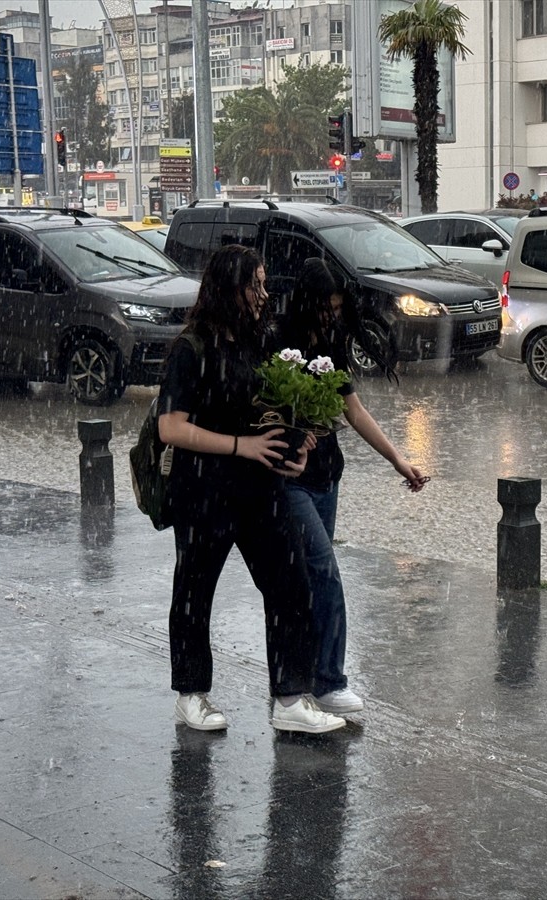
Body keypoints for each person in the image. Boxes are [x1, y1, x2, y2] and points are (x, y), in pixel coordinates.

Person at [157, 244, 346, 735]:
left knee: (290, 585)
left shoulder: (257, 342)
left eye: (264, 283)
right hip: (203, 493)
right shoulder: (191, 348)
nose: (263, 294)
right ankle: (192, 694)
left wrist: (298, 442)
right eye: (255, 285)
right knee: (195, 592)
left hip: (260, 489)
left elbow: (274, 409)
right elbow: (171, 428)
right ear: (229, 288)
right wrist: (241, 445)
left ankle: (290, 697)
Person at [279, 258, 428, 714]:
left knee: (309, 581)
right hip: (290, 479)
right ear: (308, 302)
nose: (331, 315)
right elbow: (262, 405)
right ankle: (326, 682)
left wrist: (399, 460)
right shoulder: (279, 343)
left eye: (337, 308)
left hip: (326, 476)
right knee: (323, 575)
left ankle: (306, 682)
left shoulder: (329, 346)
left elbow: (354, 411)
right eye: (326, 307)